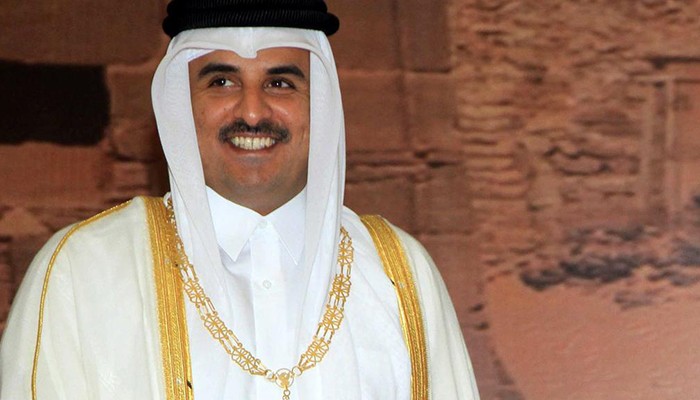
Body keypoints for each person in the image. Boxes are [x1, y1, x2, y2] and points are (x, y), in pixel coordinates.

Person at [0, 1, 480, 399]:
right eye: (221, 82)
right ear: (180, 104)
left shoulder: (399, 274)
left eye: (280, 83)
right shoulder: (83, 272)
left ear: (321, 103)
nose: (252, 111)